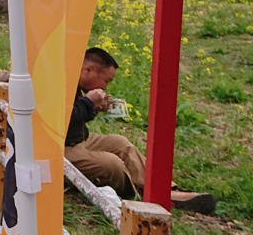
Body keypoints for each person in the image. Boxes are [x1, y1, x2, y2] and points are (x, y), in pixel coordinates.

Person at [66, 47, 214, 213]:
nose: (105, 87)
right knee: (111, 164)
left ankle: (166, 191)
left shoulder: (75, 81)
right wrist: (88, 103)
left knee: (121, 143)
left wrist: (93, 108)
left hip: (80, 139)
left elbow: (74, 117)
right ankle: (138, 195)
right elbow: (60, 119)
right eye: (106, 81)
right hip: (61, 148)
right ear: (89, 70)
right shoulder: (60, 80)